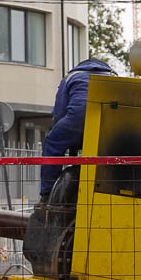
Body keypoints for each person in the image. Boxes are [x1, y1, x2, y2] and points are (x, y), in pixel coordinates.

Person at [39, 58, 115, 200]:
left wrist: (60, 130)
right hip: (106, 124)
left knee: (53, 143)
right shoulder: (112, 78)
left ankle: (46, 194)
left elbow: (59, 112)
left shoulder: (71, 77)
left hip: (76, 121)